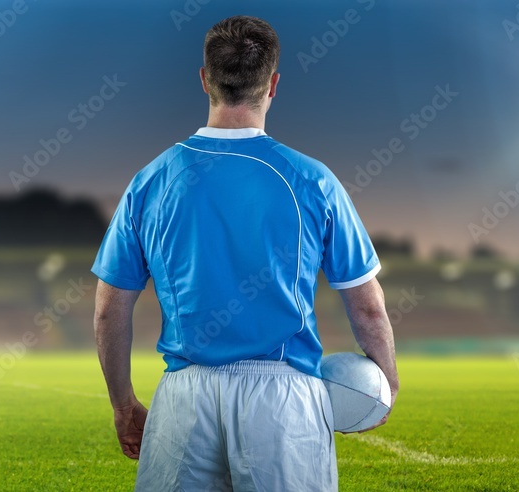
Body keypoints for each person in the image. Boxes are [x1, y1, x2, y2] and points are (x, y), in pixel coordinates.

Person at [91, 15, 399, 491]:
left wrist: (123, 405)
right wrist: (386, 384)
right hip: (284, 403)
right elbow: (369, 307)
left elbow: (111, 311)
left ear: (204, 79)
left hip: (183, 400)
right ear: (273, 84)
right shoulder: (313, 180)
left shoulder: (151, 181)